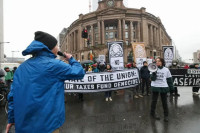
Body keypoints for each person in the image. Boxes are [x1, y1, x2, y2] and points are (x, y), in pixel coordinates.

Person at [6, 31, 85, 133]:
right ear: (50, 47)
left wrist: (11, 119)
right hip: (47, 126)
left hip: (23, 127)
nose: (58, 48)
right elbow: (79, 72)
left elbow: (12, 96)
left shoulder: (21, 68)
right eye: (57, 45)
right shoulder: (55, 65)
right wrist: (71, 59)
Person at [150, 57, 174, 122]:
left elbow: (169, 80)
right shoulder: (152, 68)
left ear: (162, 62)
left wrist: (171, 88)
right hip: (155, 86)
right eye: (156, 61)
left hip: (163, 86)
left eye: (159, 61)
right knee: (154, 101)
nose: (157, 62)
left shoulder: (166, 70)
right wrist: (154, 73)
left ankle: (166, 115)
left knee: (164, 102)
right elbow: (152, 79)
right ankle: (152, 113)